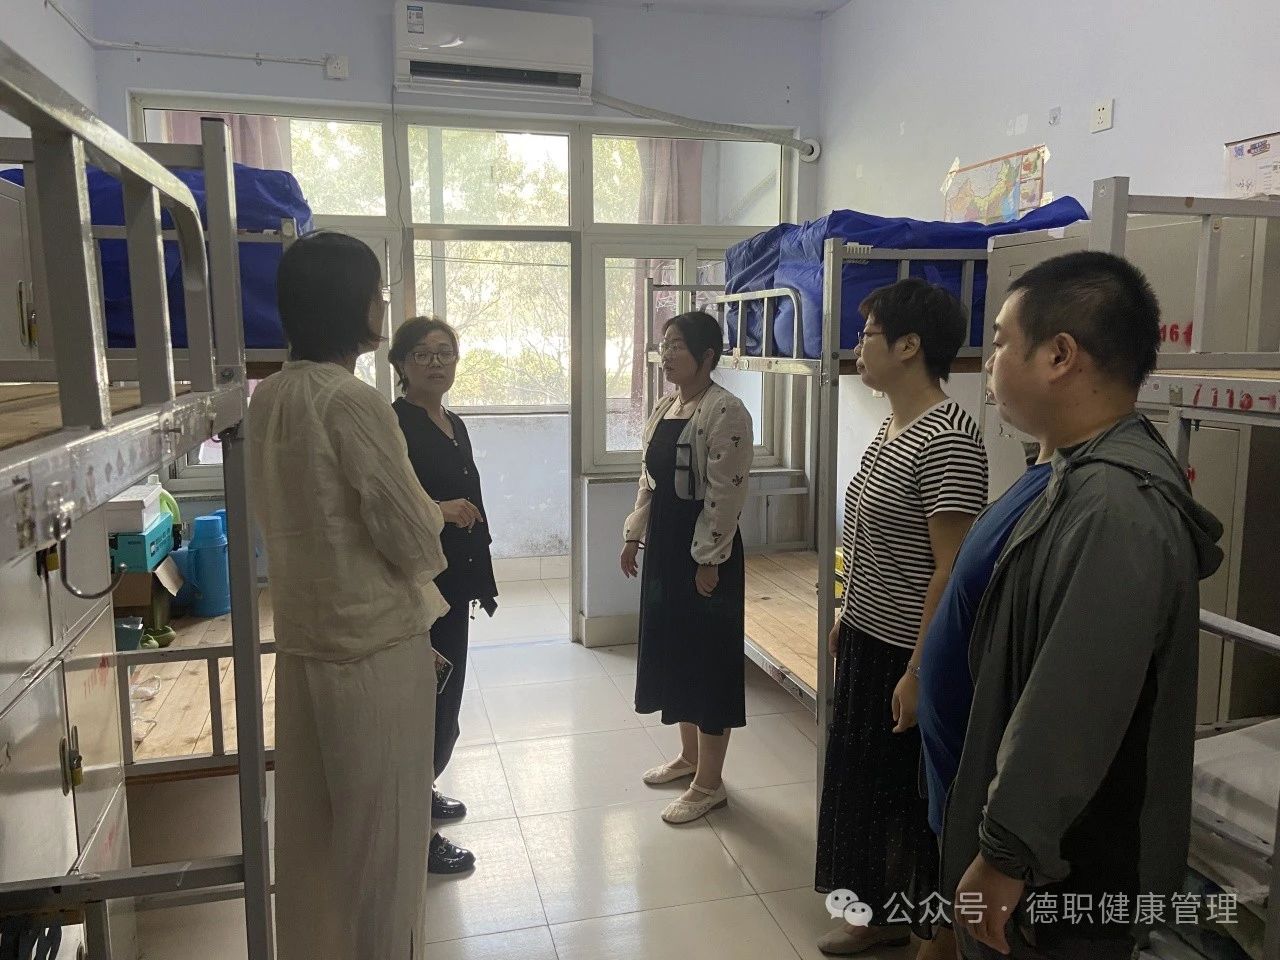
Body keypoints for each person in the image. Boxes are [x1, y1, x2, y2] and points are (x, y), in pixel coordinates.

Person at [942, 252, 1224, 960]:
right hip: (1043, 859)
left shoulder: (1114, 509)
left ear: (1060, 355)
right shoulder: (1074, 473)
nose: (991, 361)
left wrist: (1005, 853)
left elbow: (1071, 706)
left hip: (1067, 872)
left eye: (1002, 342)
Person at [248, 232, 448, 960]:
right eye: (377, 293)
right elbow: (413, 539)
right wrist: (435, 516)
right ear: (352, 305)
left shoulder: (269, 396)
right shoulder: (353, 402)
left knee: (312, 848)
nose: (382, 305)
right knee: (384, 855)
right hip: (372, 652)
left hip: (306, 642)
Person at [816, 279, 988, 958]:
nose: (857, 347)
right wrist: (848, 612)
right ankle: (877, 914)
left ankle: (929, 933)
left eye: (868, 335)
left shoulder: (948, 438)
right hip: (869, 635)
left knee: (909, 798)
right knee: (864, 785)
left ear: (910, 345)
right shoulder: (891, 427)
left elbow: (949, 570)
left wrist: (918, 671)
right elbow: (871, 537)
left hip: (910, 652)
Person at [621, 310, 754, 825]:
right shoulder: (666, 406)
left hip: (705, 550)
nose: (667, 353)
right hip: (666, 545)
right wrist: (634, 535)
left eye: (677, 345)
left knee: (708, 660)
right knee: (675, 650)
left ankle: (710, 784)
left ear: (707, 356)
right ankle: (689, 757)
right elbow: (649, 479)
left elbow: (725, 495)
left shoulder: (727, 411)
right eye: (665, 344)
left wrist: (709, 559)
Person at [390, 316, 499, 877]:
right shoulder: (394, 425)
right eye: (422, 353)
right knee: (423, 704)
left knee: (445, 697)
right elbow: (388, 507)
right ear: (400, 363)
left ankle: (423, 792)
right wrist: (440, 511)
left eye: (445, 352)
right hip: (420, 585)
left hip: (455, 583)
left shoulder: (453, 422)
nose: (436, 362)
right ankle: (416, 833)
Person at [917, 442, 1054, 842]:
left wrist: (1002, 849)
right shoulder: (1037, 477)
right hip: (959, 782)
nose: (988, 374)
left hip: (987, 808)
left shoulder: (1089, 498)